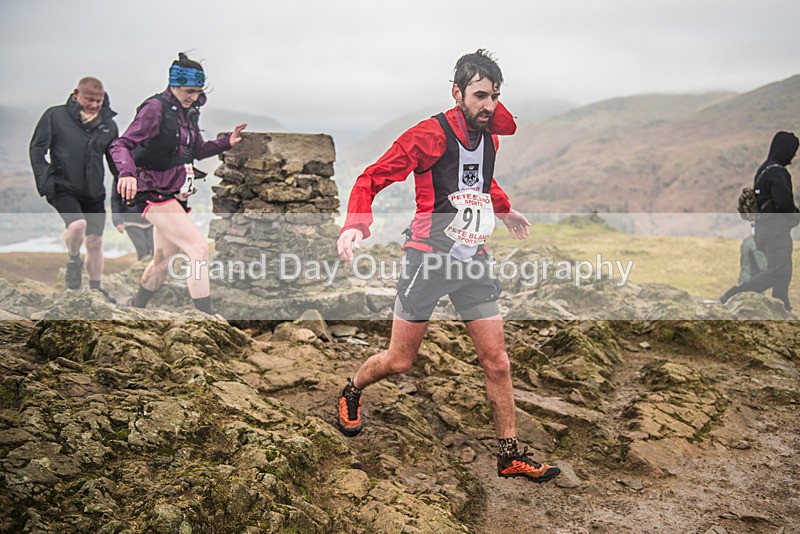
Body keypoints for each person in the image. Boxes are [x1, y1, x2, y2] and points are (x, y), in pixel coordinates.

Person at [335, 50, 560, 483]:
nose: (488, 105)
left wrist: (505, 209)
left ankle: (509, 454)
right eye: (479, 95)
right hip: (427, 259)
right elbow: (372, 177)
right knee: (399, 361)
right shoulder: (428, 135)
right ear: (456, 93)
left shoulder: (488, 136)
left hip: (473, 260)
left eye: (494, 96)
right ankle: (352, 390)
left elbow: (477, 179)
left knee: (497, 361)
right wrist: (355, 226)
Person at [109, 53, 246, 313]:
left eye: (198, 92)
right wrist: (126, 173)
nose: (193, 97)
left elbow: (194, 150)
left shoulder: (188, 112)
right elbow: (121, 144)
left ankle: (136, 309)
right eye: (189, 91)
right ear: (174, 84)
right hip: (150, 190)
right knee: (198, 248)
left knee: (162, 259)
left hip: (172, 192)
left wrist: (226, 142)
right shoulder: (155, 108)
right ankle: (204, 317)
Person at [29, 77, 119, 301]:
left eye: (98, 100)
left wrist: (126, 182)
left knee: (95, 241)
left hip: (94, 191)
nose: (95, 105)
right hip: (63, 186)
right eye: (89, 99)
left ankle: (96, 289)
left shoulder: (108, 124)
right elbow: (37, 149)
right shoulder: (55, 116)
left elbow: (115, 160)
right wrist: (46, 181)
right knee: (78, 225)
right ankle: (73, 258)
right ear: (76, 94)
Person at [720, 131, 799, 311]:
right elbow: (785, 204)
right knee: (777, 271)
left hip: (763, 230)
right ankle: (734, 293)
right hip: (775, 231)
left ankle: (782, 307)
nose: (793, 157)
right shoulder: (778, 173)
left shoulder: (763, 170)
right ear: (784, 150)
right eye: (792, 153)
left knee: (783, 270)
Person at [111, 175, 154, 261]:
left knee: (156, 249)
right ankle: (141, 271)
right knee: (142, 250)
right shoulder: (121, 173)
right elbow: (115, 199)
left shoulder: (151, 171)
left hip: (152, 219)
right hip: (131, 220)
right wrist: (117, 221)